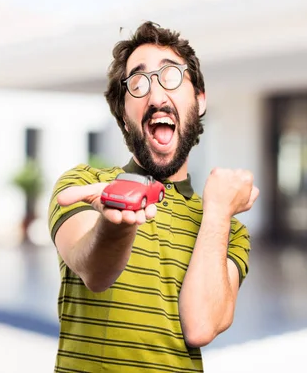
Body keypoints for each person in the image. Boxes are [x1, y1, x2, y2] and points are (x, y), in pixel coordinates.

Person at [47, 21, 259, 372]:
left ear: (200, 100)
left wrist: (219, 212)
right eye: (138, 83)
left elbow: (201, 325)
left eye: (171, 76)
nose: (157, 96)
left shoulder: (227, 230)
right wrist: (114, 222)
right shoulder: (83, 186)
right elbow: (94, 271)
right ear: (123, 116)